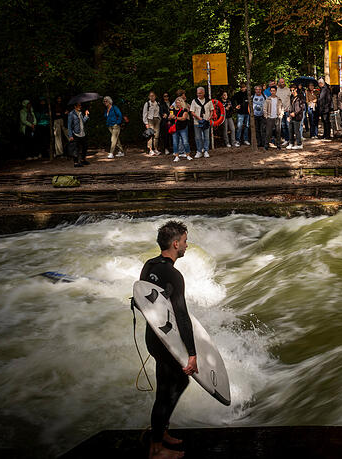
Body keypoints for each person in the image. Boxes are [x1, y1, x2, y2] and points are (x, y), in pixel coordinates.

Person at [139, 220, 198, 459]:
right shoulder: (174, 274)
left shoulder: (149, 265)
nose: (186, 245)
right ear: (175, 244)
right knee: (169, 388)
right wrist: (192, 353)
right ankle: (156, 448)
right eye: (184, 241)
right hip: (166, 342)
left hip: (153, 337)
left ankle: (160, 432)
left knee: (172, 384)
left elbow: (142, 299)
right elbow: (181, 315)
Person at [190, 87, 213, 158]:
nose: (198, 94)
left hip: (206, 121)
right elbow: (192, 111)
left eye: (200, 93)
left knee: (206, 137)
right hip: (197, 122)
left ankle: (206, 151)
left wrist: (209, 117)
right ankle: (199, 151)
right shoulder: (194, 101)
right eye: (197, 93)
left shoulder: (208, 101)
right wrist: (198, 118)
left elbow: (212, 110)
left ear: (203, 93)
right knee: (198, 137)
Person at [67, 102, 90, 167]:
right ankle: (76, 163)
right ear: (75, 106)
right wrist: (70, 135)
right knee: (75, 148)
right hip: (76, 133)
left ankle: (83, 160)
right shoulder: (71, 114)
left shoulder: (80, 113)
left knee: (85, 146)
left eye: (80, 105)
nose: (80, 106)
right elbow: (69, 125)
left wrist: (86, 115)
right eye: (78, 105)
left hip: (82, 133)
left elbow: (83, 122)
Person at [169, 98, 191, 162]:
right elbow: (170, 117)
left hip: (183, 127)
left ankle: (188, 155)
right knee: (175, 143)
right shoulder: (172, 110)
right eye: (176, 103)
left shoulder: (185, 110)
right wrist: (170, 117)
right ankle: (176, 156)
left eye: (179, 102)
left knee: (185, 142)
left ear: (182, 103)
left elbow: (184, 118)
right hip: (175, 128)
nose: (177, 104)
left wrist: (175, 117)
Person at [232, 82, 251, 147]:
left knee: (247, 126)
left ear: (246, 87)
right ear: (240, 88)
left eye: (244, 87)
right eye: (241, 87)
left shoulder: (248, 94)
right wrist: (235, 106)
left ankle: (245, 140)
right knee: (239, 127)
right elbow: (232, 100)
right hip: (240, 113)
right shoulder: (237, 94)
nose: (243, 88)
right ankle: (237, 140)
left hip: (248, 113)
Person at [143, 91, 161, 156]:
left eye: (153, 95)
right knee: (150, 135)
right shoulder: (147, 104)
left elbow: (159, 112)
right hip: (150, 120)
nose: (152, 97)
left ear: (155, 96)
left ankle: (156, 149)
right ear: (149, 97)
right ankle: (150, 150)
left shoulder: (158, 103)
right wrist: (146, 123)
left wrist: (160, 119)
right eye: (150, 96)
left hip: (157, 119)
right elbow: (144, 114)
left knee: (156, 135)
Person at [276, 78, 292, 145]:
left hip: (287, 110)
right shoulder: (277, 90)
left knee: (289, 125)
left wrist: (291, 109)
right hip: (280, 111)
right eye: (281, 82)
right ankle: (286, 139)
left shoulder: (288, 90)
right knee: (283, 126)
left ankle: (291, 140)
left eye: (283, 82)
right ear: (278, 83)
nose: (282, 83)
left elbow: (292, 99)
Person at [252, 84, 266, 149]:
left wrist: (265, 113)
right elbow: (249, 106)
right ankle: (258, 142)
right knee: (256, 129)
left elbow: (267, 105)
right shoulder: (252, 97)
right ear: (255, 90)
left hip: (262, 115)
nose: (258, 91)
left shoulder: (264, 96)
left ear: (261, 90)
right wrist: (250, 114)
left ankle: (263, 142)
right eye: (256, 89)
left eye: (259, 89)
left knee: (262, 129)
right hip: (254, 115)